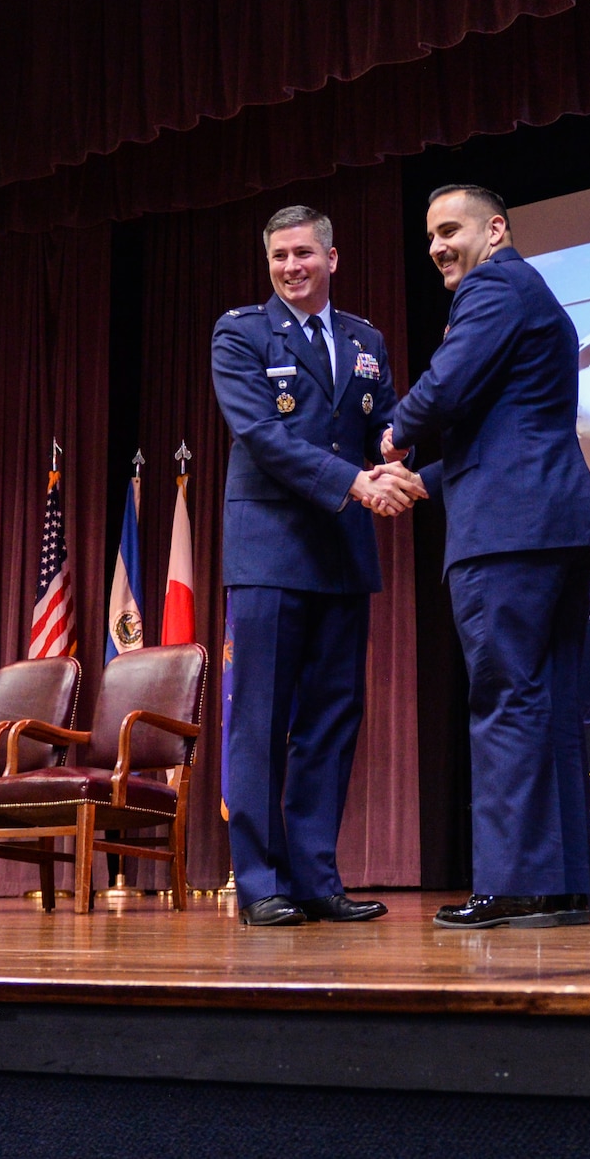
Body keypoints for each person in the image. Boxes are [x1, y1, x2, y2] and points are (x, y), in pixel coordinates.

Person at [381, 184, 590, 929]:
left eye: (450, 230)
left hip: (508, 537)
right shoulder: (529, 291)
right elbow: (513, 427)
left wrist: (396, 433)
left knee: (506, 699)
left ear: (496, 229)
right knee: (545, 700)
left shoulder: (495, 284)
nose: (438, 247)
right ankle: (560, 885)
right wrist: (426, 480)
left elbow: (446, 389)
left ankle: (513, 884)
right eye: (429, 237)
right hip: (553, 525)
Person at [210, 204, 421, 927]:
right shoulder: (240, 332)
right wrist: (356, 483)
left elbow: (384, 427)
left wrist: (404, 466)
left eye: (304, 254)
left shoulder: (365, 338)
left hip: (341, 556)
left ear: (333, 258)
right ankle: (261, 884)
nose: (291, 267)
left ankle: (315, 879)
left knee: (332, 722)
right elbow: (262, 436)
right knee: (261, 723)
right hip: (268, 552)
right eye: (279, 257)